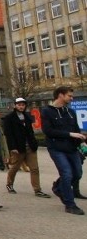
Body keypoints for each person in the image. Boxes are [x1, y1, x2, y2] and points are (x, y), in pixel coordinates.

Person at [40, 85, 86, 215]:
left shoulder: (70, 112)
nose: (72, 98)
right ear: (60, 95)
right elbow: (48, 131)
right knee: (66, 173)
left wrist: (82, 141)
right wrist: (70, 134)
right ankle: (70, 204)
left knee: (77, 173)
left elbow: (76, 130)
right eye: (69, 96)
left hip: (71, 148)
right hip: (56, 148)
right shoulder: (47, 111)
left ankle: (59, 187)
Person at [1, 98, 51, 198]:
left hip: (30, 146)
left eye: (23, 105)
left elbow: (30, 131)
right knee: (15, 167)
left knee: (34, 168)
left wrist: (34, 143)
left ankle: (37, 189)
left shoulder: (27, 116)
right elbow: (8, 134)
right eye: (19, 105)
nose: (21, 106)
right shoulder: (9, 118)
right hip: (18, 147)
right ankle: (9, 184)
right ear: (15, 105)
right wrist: (12, 147)